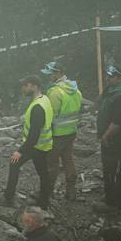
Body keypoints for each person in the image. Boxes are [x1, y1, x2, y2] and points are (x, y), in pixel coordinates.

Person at [0, 75, 54, 208]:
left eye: (26, 85)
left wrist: (19, 151)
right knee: (43, 172)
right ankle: (44, 202)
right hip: (43, 144)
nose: (23, 88)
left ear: (34, 86)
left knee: (14, 163)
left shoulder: (37, 107)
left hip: (36, 145)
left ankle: (8, 198)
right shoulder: (44, 99)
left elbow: (34, 135)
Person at [94, 66, 121, 214]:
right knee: (114, 167)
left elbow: (117, 122)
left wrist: (106, 136)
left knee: (112, 168)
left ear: (119, 78)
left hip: (113, 138)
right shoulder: (113, 91)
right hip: (111, 137)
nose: (107, 78)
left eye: (111, 76)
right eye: (107, 76)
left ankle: (113, 203)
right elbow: (99, 102)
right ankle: (116, 196)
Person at [41, 61, 83, 201]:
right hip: (71, 131)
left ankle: (47, 192)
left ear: (58, 73)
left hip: (57, 133)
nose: (49, 77)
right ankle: (71, 191)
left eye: (51, 74)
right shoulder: (75, 89)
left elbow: (50, 114)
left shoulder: (54, 92)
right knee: (68, 160)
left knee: (51, 163)